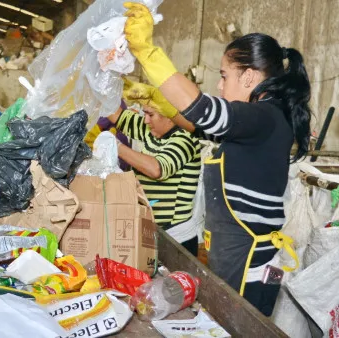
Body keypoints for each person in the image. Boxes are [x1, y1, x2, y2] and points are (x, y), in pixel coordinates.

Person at [123, 3, 309, 315]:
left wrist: (146, 51)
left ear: (249, 77)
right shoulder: (260, 119)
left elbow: (203, 112)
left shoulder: (263, 116)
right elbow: (196, 125)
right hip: (239, 255)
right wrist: (158, 100)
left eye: (224, 76)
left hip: (253, 264)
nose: (220, 86)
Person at [106, 86, 202, 256]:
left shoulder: (185, 138)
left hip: (176, 239)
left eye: (151, 115)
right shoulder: (152, 131)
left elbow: (156, 169)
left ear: (171, 117)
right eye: (145, 114)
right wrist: (101, 83)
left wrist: (116, 146)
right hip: (153, 231)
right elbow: (118, 116)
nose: (146, 121)